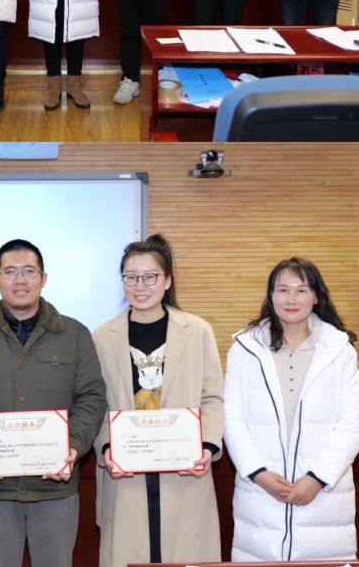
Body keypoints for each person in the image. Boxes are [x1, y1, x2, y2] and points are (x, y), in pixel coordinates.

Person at [0, 238, 106, 567]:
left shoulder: (75, 334)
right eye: (9, 271)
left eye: (29, 271)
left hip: (55, 490)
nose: (20, 280)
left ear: (43, 278)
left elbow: (91, 397)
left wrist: (74, 446)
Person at [223, 257, 359, 562]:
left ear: (316, 296)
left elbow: (354, 421)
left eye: (301, 290)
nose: (291, 299)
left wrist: (317, 477)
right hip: (260, 495)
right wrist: (258, 473)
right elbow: (231, 419)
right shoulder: (245, 349)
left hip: (324, 498)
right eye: (283, 290)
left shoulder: (339, 349)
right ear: (271, 295)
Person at [93, 234, 223, 567]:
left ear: (167, 280)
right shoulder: (102, 338)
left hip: (185, 470)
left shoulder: (198, 331)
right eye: (131, 277)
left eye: (150, 276)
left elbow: (212, 397)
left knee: (185, 555)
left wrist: (207, 445)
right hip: (126, 473)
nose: (140, 286)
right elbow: (95, 405)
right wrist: (107, 448)